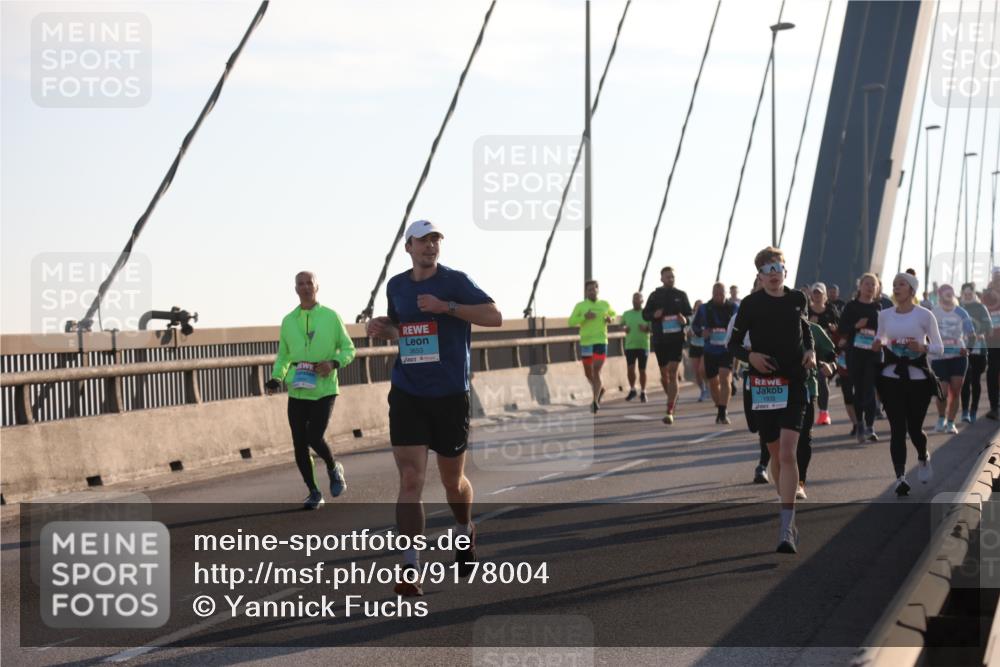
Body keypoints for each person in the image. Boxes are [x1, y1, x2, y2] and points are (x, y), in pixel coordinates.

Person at [365, 219, 502, 596]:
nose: (430, 247)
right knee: (410, 481)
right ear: (408, 246)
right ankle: (410, 568)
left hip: (449, 394)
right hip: (408, 391)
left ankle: (464, 530)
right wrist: (385, 328)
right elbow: (405, 329)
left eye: (435, 240)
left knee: (451, 482)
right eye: (423, 241)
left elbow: (494, 316)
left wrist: (448, 306)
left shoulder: (454, 281)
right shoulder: (396, 286)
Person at [729, 246, 816, 554]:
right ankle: (786, 505)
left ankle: (787, 525)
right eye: (767, 270)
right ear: (759, 276)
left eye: (777, 267)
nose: (773, 274)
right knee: (776, 454)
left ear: (785, 271)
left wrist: (810, 351)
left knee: (789, 454)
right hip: (764, 386)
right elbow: (733, 344)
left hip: (793, 382)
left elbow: (805, 330)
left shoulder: (797, 299)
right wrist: (750, 355)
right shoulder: (751, 305)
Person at [267, 271, 356, 509]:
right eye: (301, 284)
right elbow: (284, 355)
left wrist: (333, 363)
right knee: (299, 443)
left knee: (314, 436)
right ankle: (314, 492)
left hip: (324, 388)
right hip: (297, 389)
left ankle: (332, 467)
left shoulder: (331, 317)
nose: (305, 287)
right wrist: (276, 378)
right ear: (295, 289)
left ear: (317, 287)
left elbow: (349, 350)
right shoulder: (288, 321)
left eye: (309, 283)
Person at [872, 273, 942, 496]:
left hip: (918, 379)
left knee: (914, 429)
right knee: (897, 429)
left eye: (902, 284)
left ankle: (923, 457)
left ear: (912, 290)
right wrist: (877, 343)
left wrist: (922, 348)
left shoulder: (925, 315)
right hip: (892, 377)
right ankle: (900, 477)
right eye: (894, 284)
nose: (896, 287)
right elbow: (881, 338)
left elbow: (939, 348)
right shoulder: (884, 315)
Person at [757, 319, 837, 500]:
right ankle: (782, 486)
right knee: (776, 443)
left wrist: (830, 366)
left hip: (806, 388)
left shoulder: (813, 330)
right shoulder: (770, 327)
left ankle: (800, 483)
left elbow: (832, 355)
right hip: (775, 389)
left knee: (803, 438)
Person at [643, 266, 693, 424]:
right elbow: (645, 314)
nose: (670, 279)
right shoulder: (655, 295)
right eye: (667, 277)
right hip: (660, 340)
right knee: (664, 375)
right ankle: (672, 395)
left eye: (672, 277)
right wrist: (654, 315)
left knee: (672, 372)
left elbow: (689, 315)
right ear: (661, 278)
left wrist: (685, 320)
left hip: (676, 339)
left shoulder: (681, 295)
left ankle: (669, 409)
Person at [839, 273, 882, 444]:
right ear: (860, 286)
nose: (870, 287)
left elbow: (884, 331)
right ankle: (859, 425)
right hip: (855, 354)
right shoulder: (851, 307)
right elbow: (842, 328)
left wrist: (880, 341)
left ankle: (870, 426)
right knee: (858, 390)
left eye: (873, 284)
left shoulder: (878, 308)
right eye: (867, 284)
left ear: (877, 288)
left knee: (869, 388)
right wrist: (856, 326)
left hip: (873, 353)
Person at [930, 284, 974, 434]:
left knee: (955, 390)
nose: (948, 296)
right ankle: (941, 418)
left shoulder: (961, 312)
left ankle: (950, 422)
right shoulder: (934, 313)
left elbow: (971, 334)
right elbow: (925, 333)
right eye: (945, 294)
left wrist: (968, 349)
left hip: (958, 357)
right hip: (939, 357)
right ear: (940, 295)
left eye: (951, 293)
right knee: (942, 391)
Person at [569, 281, 616, 413]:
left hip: (601, 341)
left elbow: (613, 315)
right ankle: (600, 389)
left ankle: (594, 401)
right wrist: (584, 317)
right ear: (586, 292)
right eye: (589, 290)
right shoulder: (580, 306)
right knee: (588, 373)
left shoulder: (604, 304)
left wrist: (610, 319)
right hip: (586, 343)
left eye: (594, 289)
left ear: (598, 290)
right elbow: (571, 322)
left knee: (596, 370)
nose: (591, 292)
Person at [693, 282, 738, 424]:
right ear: (712, 294)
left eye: (721, 293)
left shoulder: (734, 308)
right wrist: (701, 332)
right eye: (716, 293)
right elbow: (695, 326)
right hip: (710, 350)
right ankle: (720, 408)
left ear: (726, 293)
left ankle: (723, 411)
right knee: (713, 383)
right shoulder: (704, 309)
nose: (719, 296)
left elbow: (742, 325)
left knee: (725, 378)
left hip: (726, 350)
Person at [806, 282, 840, 426]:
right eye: (815, 293)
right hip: (810, 351)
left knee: (822, 380)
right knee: (817, 380)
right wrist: (808, 323)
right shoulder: (806, 311)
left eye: (820, 293)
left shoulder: (831, 311)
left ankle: (822, 411)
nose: (817, 296)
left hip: (827, 352)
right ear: (811, 295)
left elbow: (841, 330)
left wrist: (833, 329)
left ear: (825, 295)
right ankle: (820, 412)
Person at [960, 282, 990, 422]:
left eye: (969, 294)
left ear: (974, 294)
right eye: (964, 294)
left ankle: (973, 410)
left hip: (979, 350)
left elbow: (988, 326)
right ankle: (965, 411)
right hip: (964, 349)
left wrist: (977, 332)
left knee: (976, 381)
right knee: (965, 381)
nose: (967, 296)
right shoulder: (959, 308)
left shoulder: (981, 307)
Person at [621, 292, 651, 403]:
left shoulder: (646, 313)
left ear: (642, 301)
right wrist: (624, 327)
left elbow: (652, 328)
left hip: (643, 345)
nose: (636, 301)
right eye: (634, 299)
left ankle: (643, 391)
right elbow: (621, 325)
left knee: (642, 370)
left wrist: (647, 328)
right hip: (630, 345)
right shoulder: (627, 313)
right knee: (630, 369)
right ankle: (633, 389)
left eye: (638, 299)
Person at [982, 268, 1000, 420]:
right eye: (996, 279)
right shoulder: (986, 297)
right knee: (992, 371)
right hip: (992, 341)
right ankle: (994, 407)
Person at [689, 300, 708, 401]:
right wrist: (689, 333)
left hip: (705, 346)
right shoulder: (691, 318)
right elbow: (687, 331)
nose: (699, 308)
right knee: (696, 372)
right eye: (697, 306)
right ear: (695, 307)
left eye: (701, 306)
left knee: (702, 370)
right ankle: (703, 390)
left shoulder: (707, 317)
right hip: (694, 346)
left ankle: (708, 387)